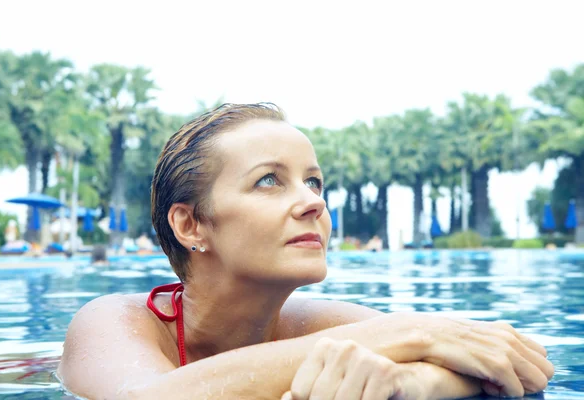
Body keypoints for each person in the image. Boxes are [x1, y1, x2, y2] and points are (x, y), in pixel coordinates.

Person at [57, 104, 553, 400]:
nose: (313, 201)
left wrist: (408, 384)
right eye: (269, 180)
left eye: (314, 181)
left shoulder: (317, 324)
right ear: (190, 224)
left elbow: (519, 364)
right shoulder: (115, 323)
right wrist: (405, 332)